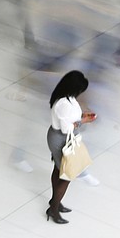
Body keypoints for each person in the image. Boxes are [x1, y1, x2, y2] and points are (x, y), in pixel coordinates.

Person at [46, 70, 95, 224]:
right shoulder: (63, 104)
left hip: (60, 137)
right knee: (67, 175)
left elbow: (68, 120)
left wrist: (81, 117)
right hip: (60, 139)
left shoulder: (66, 98)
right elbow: (66, 128)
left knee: (58, 169)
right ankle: (53, 209)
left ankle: (55, 202)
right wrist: (83, 122)